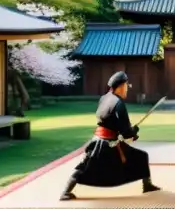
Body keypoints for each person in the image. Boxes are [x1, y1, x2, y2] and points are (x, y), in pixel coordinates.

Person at [59, 71, 160, 200]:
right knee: (87, 167)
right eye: (126, 85)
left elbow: (107, 119)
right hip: (108, 145)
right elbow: (125, 131)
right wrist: (133, 132)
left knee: (139, 156)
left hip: (98, 140)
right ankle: (65, 193)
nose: (127, 89)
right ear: (121, 86)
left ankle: (147, 185)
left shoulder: (104, 98)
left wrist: (129, 132)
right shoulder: (119, 103)